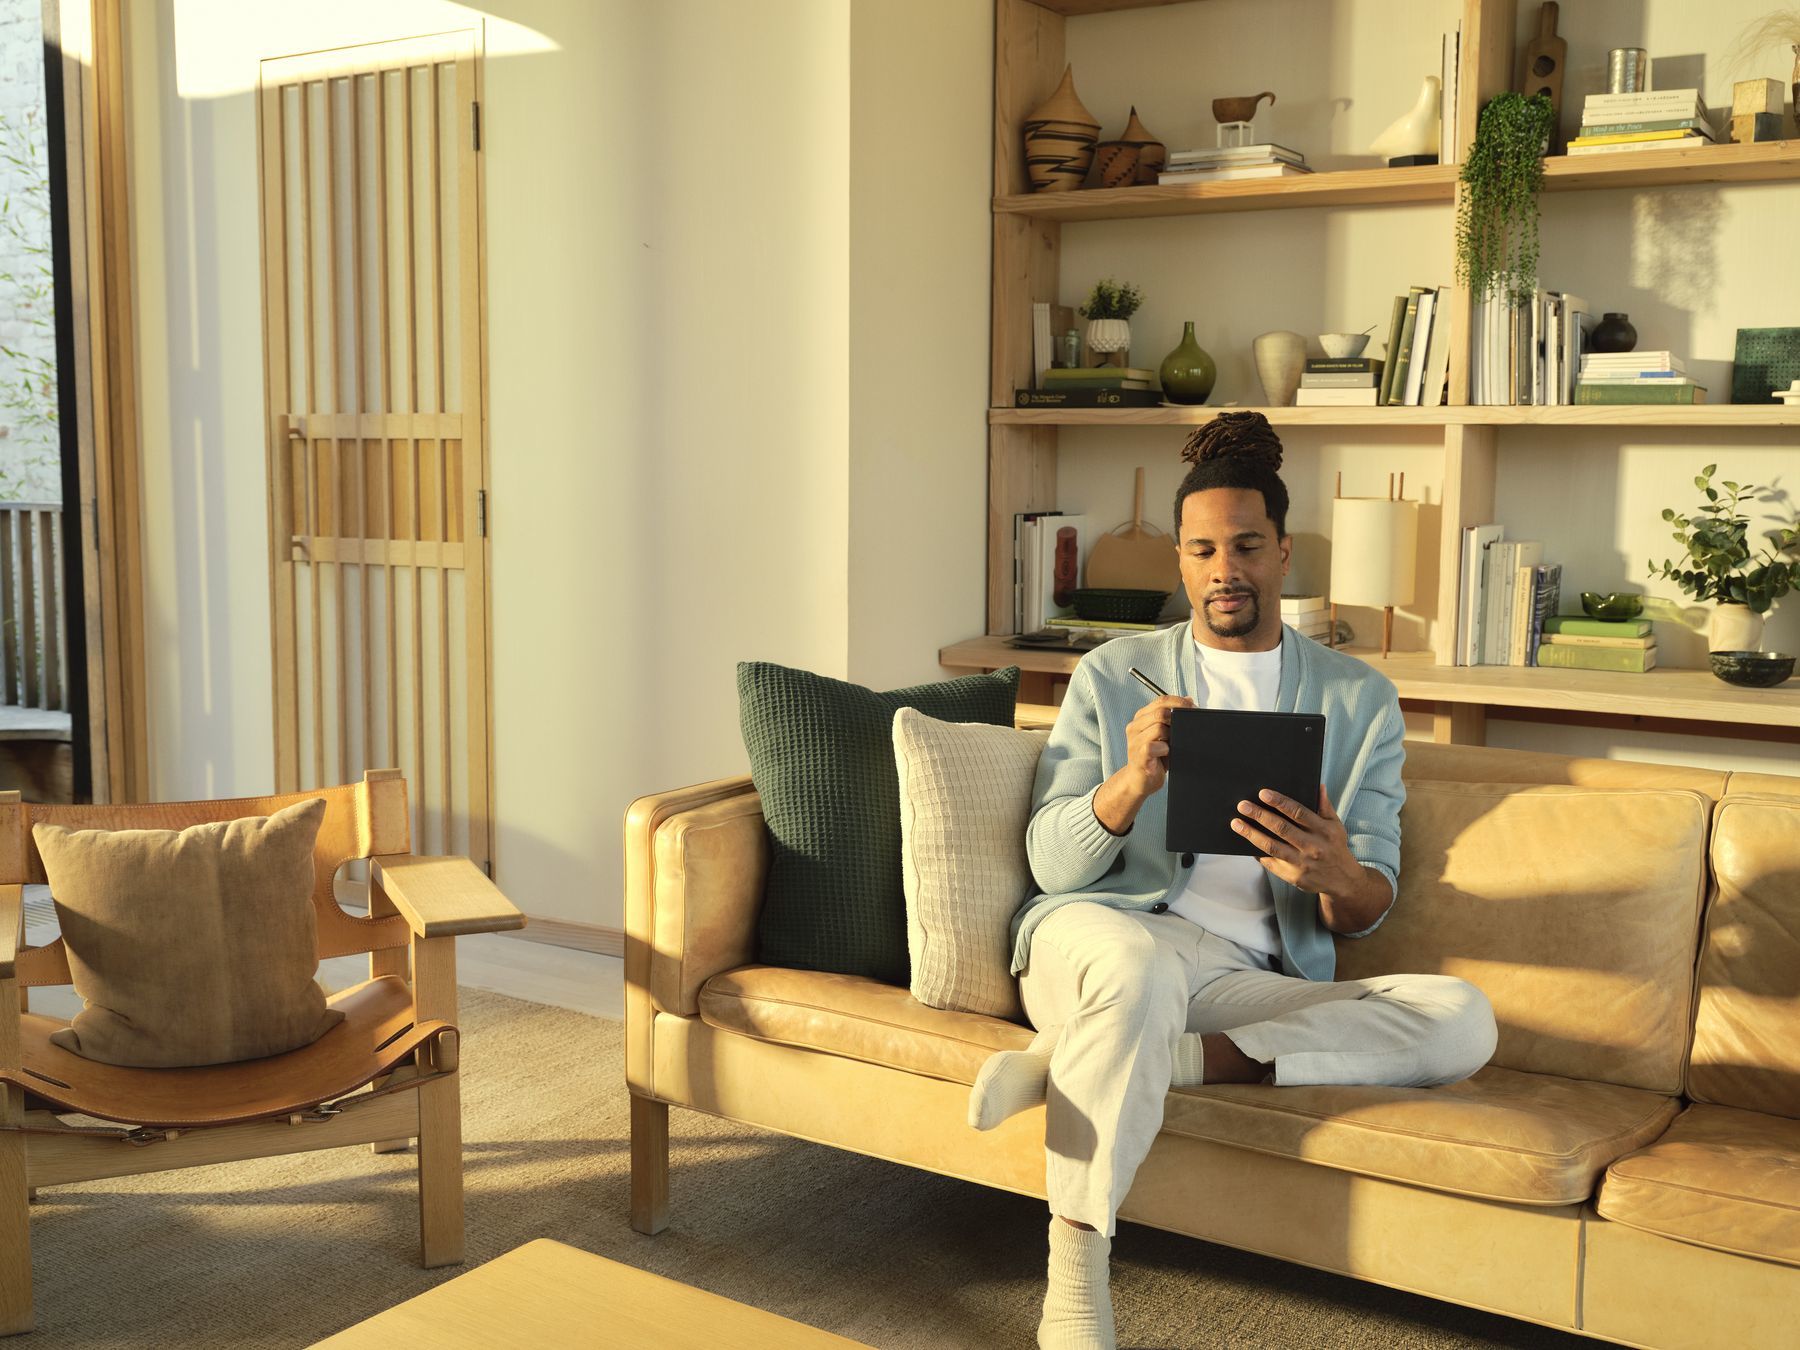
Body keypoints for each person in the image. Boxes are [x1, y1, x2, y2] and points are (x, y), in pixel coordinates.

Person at [968, 412, 1497, 1350]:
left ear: (1283, 553)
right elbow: (1050, 866)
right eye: (1204, 549)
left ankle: (1102, 1058)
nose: (1226, 570)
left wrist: (1337, 873)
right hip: (1102, 936)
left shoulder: (1357, 697)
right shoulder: (1111, 673)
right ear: (1180, 559)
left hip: (1239, 976)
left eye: (1247, 546)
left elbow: (1369, 911)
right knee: (1135, 972)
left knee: (1462, 1019)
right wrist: (1127, 784)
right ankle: (1078, 1279)